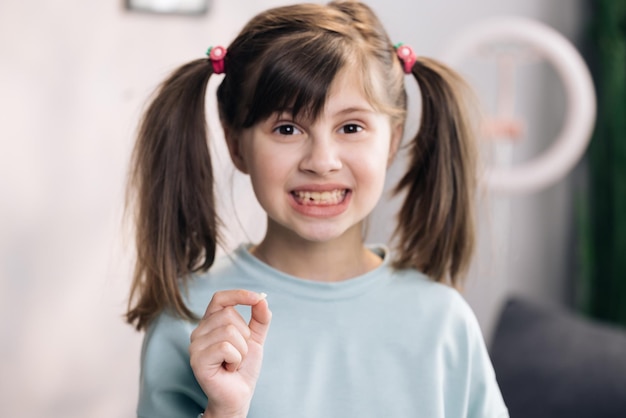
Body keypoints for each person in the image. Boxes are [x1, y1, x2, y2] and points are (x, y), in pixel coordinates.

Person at [125, 1, 509, 417]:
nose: (321, 160)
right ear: (236, 144)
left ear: (393, 139)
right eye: (287, 129)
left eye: (351, 127)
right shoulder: (190, 318)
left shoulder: (443, 321)